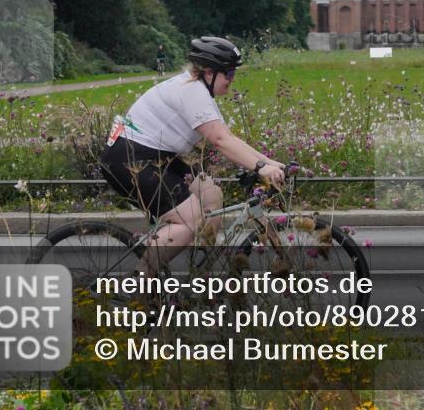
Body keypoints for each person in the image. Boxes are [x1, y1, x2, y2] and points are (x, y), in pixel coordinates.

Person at [100, 36, 285, 275]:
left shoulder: (198, 89)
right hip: (129, 160)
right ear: (209, 72)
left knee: (211, 195)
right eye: (228, 73)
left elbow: (227, 136)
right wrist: (261, 167)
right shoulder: (191, 93)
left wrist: (270, 163)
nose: (232, 80)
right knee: (190, 220)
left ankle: (200, 273)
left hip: (156, 157)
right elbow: (220, 141)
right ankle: (140, 282)